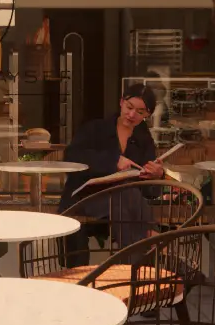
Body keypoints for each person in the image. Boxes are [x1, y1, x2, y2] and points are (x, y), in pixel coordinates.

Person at [60, 85, 166, 258]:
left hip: (123, 203)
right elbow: (71, 157)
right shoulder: (95, 128)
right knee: (124, 195)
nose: (132, 114)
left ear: (147, 115)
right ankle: (151, 238)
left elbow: (149, 192)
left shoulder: (144, 140)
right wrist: (113, 161)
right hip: (85, 199)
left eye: (140, 112)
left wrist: (156, 175)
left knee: (124, 196)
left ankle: (134, 260)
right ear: (121, 102)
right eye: (129, 107)